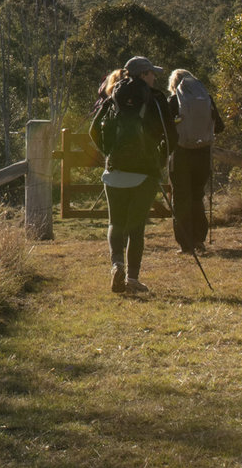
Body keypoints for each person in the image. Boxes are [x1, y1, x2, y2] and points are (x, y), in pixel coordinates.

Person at [89, 56, 179, 295]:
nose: (154, 77)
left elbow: (94, 129)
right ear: (141, 75)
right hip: (144, 173)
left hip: (114, 170)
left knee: (115, 222)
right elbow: (172, 137)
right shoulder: (157, 99)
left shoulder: (113, 97)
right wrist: (158, 161)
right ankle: (132, 278)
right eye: (151, 73)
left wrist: (108, 152)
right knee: (136, 227)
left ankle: (116, 264)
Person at [165, 68, 221, 257]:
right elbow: (220, 127)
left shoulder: (173, 101)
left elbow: (165, 129)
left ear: (174, 84)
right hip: (203, 154)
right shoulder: (206, 98)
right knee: (197, 196)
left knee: (181, 198)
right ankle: (199, 239)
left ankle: (185, 243)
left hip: (180, 155)